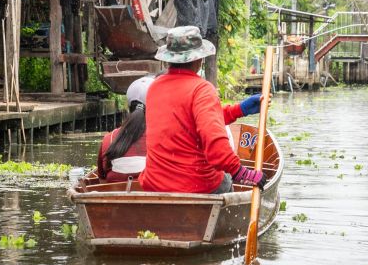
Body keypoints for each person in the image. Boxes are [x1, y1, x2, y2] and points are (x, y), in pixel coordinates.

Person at [139, 25, 266, 194]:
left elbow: (191, 119)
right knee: (226, 178)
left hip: (155, 184)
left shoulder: (154, 88)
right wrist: (240, 172)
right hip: (197, 186)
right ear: (199, 60)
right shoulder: (202, 89)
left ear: (169, 59)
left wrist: (238, 110)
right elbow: (216, 146)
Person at [97, 75, 264, 184]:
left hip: (118, 195)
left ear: (128, 106)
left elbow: (102, 178)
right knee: (225, 180)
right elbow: (204, 125)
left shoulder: (109, 139)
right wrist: (239, 110)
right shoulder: (169, 131)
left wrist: (238, 110)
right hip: (161, 189)